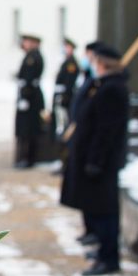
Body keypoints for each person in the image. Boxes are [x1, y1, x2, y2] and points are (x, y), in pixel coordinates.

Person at [71, 43, 129, 276]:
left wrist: (95, 160)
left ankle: (109, 258)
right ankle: (104, 252)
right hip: (95, 159)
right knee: (97, 208)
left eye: (95, 61)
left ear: (103, 63)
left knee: (104, 211)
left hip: (101, 162)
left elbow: (106, 131)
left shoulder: (112, 90)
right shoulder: (103, 86)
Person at [60, 41, 101, 248]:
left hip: (91, 149)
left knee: (95, 199)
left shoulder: (102, 84)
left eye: (91, 55)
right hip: (82, 143)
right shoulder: (90, 79)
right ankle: (90, 230)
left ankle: (97, 235)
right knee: (85, 196)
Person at [14, 34, 44, 168]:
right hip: (27, 96)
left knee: (29, 129)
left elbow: (30, 79)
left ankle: (28, 158)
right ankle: (23, 157)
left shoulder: (34, 57)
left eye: (26, 42)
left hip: (31, 98)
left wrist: (25, 97)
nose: (23, 44)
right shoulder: (29, 56)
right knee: (23, 129)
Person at [51, 38, 80, 140]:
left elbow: (69, 82)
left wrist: (64, 96)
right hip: (61, 94)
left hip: (65, 96)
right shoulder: (66, 61)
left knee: (64, 121)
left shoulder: (71, 62)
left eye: (66, 47)